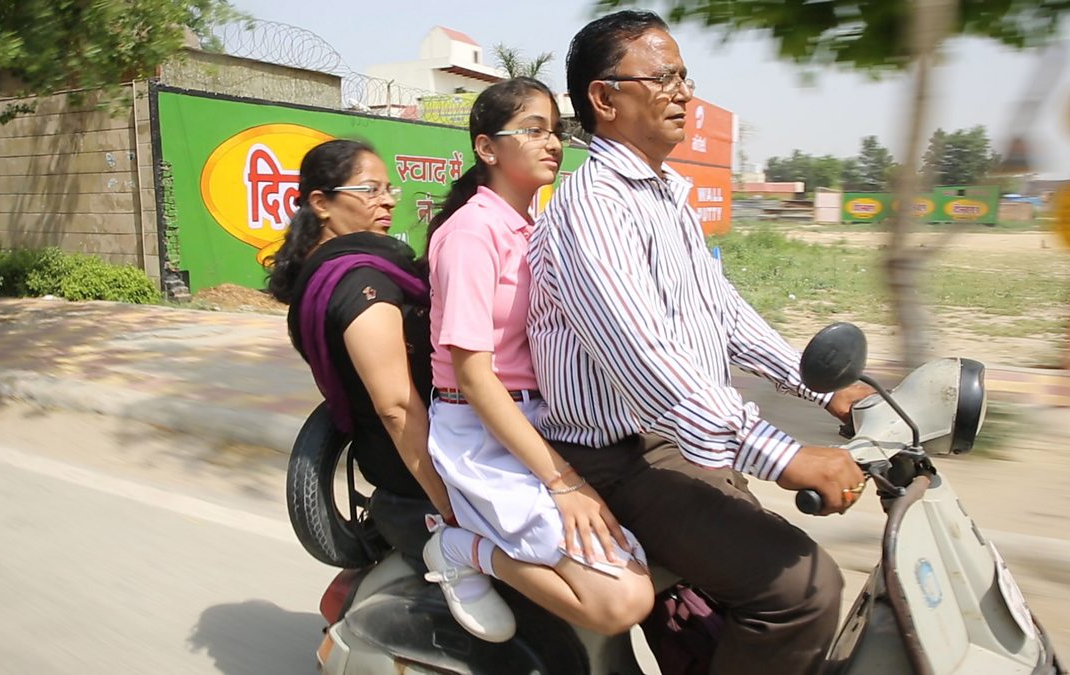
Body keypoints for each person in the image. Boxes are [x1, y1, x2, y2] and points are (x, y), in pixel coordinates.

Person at [527, 11, 874, 675]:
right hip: (620, 457)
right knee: (803, 589)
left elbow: (724, 315)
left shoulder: (664, 198)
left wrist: (825, 389)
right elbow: (648, 363)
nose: (685, 94)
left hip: (676, 441)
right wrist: (784, 454)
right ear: (605, 98)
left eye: (685, 77)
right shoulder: (592, 207)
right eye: (663, 78)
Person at [421, 77, 655, 643]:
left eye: (555, 130)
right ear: (486, 147)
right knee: (620, 599)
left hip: (542, 422)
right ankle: (459, 549)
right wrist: (563, 483)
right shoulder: (471, 234)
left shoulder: (535, 228)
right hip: (482, 433)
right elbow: (474, 377)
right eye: (532, 130)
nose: (552, 143)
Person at [266, 139, 453, 558]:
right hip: (421, 472)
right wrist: (449, 505)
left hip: (390, 459)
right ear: (321, 203)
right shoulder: (359, 281)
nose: (387, 201)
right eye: (370, 190)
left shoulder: (322, 275)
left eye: (388, 190)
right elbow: (396, 407)